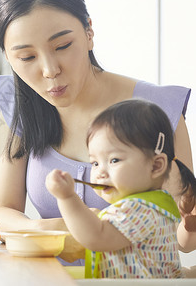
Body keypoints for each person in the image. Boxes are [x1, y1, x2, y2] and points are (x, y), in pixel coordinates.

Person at [0, 0, 195, 265]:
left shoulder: (158, 109)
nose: (50, 70)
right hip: (45, 278)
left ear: (89, 32)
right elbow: (2, 210)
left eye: (62, 46)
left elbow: (182, 232)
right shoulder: (20, 106)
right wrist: (48, 230)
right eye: (27, 57)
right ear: (8, 58)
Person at [46, 99, 196, 278]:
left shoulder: (139, 210)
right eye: (94, 162)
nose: (100, 172)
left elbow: (96, 237)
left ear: (156, 166)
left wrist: (66, 198)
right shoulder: (159, 205)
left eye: (114, 160)